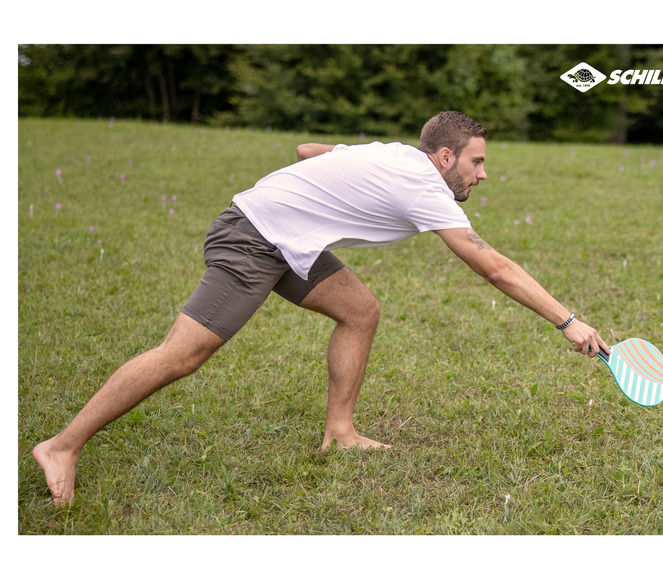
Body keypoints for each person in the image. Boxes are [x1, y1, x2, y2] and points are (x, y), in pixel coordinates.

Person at [33, 111, 609, 505]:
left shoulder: (394, 156)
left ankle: (340, 431)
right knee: (185, 353)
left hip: (291, 241)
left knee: (360, 310)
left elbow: (311, 150)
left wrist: (323, 187)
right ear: (442, 157)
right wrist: (567, 319)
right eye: (476, 162)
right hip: (255, 237)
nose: (484, 174)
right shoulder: (425, 186)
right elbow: (494, 266)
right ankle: (61, 445)